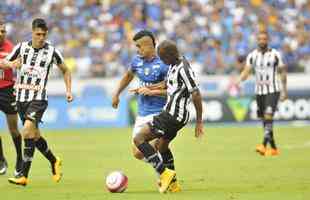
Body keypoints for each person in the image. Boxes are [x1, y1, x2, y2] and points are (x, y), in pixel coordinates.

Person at [0, 18, 73, 186]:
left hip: (38, 98)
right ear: (32, 32)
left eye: (43, 34)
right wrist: (12, 64)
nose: (41, 37)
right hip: (20, 99)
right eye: (38, 34)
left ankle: (23, 175)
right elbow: (3, 63)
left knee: (26, 131)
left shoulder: (52, 52)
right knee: (34, 135)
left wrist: (68, 90)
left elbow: (66, 70)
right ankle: (54, 161)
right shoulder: (21, 48)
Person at [133, 40, 204, 193]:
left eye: (163, 58)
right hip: (175, 116)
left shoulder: (184, 69)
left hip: (172, 115)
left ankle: (164, 174)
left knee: (139, 139)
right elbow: (167, 84)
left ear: (170, 56)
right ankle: (173, 185)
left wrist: (199, 121)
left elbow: (196, 94)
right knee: (162, 146)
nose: (162, 61)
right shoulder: (174, 64)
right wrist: (146, 88)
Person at [112, 30, 168, 162]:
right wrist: (117, 93)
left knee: (149, 146)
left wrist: (152, 91)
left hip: (159, 112)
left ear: (149, 45)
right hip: (142, 112)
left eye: (139, 46)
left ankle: (165, 172)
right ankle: (164, 165)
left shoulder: (164, 64)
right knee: (138, 153)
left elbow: (173, 89)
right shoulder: (137, 61)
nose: (137, 50)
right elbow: (128, 76)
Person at [236, 30, 288, 156]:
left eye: (264, 39)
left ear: (267, 40)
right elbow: (246, 71)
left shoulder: (275, 54)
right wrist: (238, 80)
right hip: (259, 92)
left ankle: (263, 145)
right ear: (257, 41)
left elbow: (282, 72)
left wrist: (284, 90)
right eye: (260, 39)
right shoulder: (253, 55)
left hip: (273, 90)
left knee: (269, 115)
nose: (262, 41)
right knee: (265, 120)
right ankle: (274, 148)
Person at [0, 20, 23, 176]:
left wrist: (15, 63)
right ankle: (1, 160)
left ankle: (19, 159)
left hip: (7, 90)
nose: (1, 34)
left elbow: (18, 63)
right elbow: (7, 64)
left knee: (13, 129)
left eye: (3, 31)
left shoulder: (11, 48)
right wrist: (7, 64)